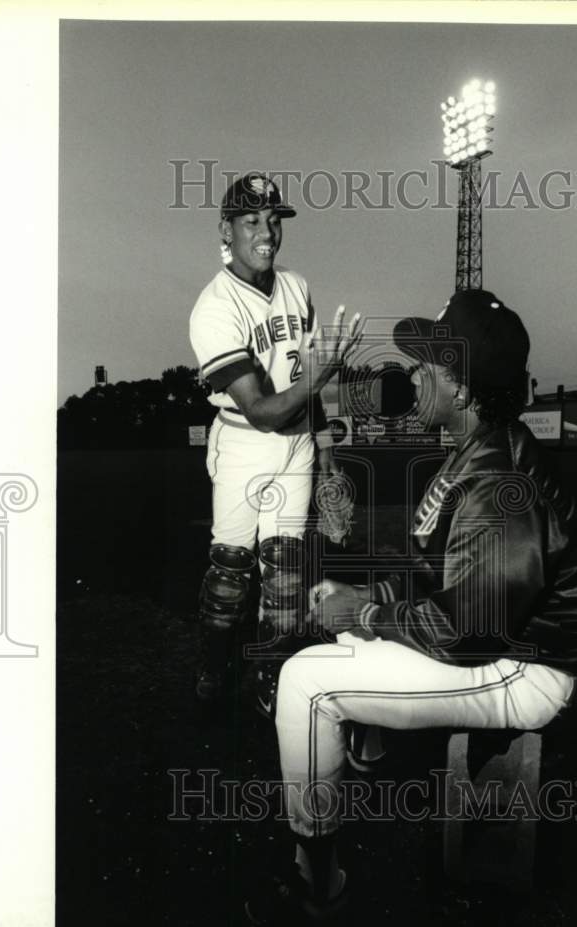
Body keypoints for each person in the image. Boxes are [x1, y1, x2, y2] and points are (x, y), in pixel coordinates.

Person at [244, 289, 577, 925]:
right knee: (346, 642)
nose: (412, 374)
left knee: (307, 682)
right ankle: (369, 759)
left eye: (427, 364)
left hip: (532, 668)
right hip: (504, 641)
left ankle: (317, 881)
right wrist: (369, 601)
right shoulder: (475, 451)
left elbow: (467, 631)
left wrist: (364, 611)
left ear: (463, 389)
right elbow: (443, 582)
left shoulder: (499, 483)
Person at [189, 171, 359, 708]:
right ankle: (214, 667)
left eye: (272, 220)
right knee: (231, 576)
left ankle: (270, 674)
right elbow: (261, 412)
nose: (266, 232)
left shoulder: (296, 286)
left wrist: (327, 457)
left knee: (285, 572)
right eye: (250, 220)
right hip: (244, 444)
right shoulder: (214, 308)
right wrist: (323, 373)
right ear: (226, 229)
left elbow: (306, 390)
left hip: (299, 445)